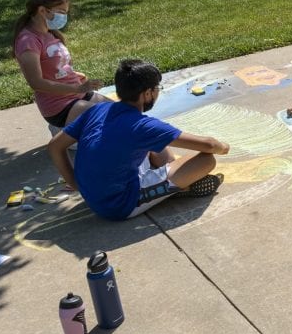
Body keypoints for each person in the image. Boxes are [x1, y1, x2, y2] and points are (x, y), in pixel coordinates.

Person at [47, 59, 229, 220]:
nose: (157, 93)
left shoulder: (97, 110)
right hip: (119, 204)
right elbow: (209, 145)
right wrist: (223, 147)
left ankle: (175, 183)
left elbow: (55, 146)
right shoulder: (142, 125)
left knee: (154, 144)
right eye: (157, 89)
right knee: (206, 160)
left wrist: (74, 183)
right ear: (147, 93)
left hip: (94, 193)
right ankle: (179, 188)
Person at [13, 0, 109, 129]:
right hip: (60, 106)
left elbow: (55, 68)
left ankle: (69, 132)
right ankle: (65, 133)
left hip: (78, 95)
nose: (64, 17)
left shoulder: (50, 34)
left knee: (124, 113)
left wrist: (75, 76)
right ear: (42, 11)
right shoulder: (28, 41)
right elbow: (36, 82)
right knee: (115, 125)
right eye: (61, 12)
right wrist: (78, 88)